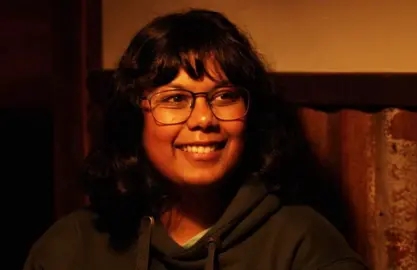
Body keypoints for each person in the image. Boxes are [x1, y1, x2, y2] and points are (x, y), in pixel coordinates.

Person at [24, 9, 367, 270]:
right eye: (175, 99)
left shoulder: (303, 246)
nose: (204, 119)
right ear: (134, 118)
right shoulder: (70, 248)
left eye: (224, 97)